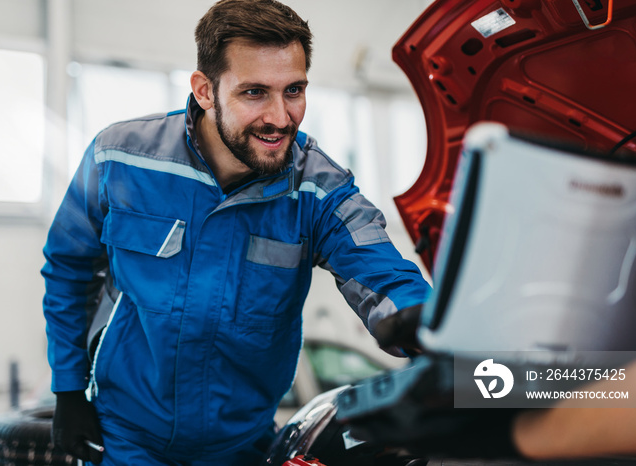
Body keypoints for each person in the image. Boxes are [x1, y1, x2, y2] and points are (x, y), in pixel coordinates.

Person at [41, 0, 431, 464]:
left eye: (294, 90)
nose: (280, 117)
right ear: (205, 90)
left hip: (241, 446)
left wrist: (429, 327)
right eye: (254, 93)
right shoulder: (120, 159)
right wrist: (67, 388)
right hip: (126, 439)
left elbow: (382, 275)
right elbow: (69, 270)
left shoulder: (317, 189)